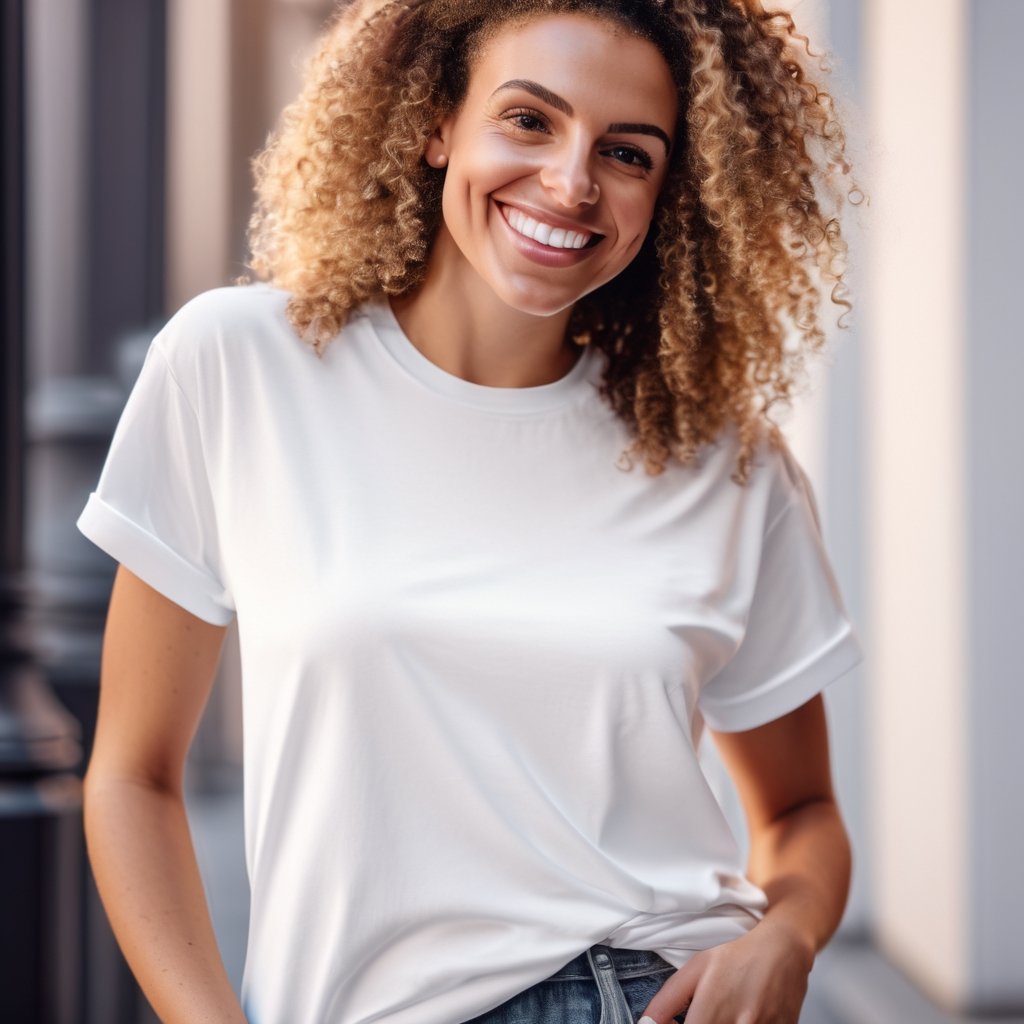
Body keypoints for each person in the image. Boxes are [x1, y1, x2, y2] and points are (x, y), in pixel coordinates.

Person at [77, 1, 862, 1022]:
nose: (572, 181)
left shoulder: (722, 458)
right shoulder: (239, 365)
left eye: (626, 152)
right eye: (530, 120)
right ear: (437, 121)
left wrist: (785, 937)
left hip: (654, 988)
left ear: (673, 192)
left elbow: (801, 812)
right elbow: (132, 775)